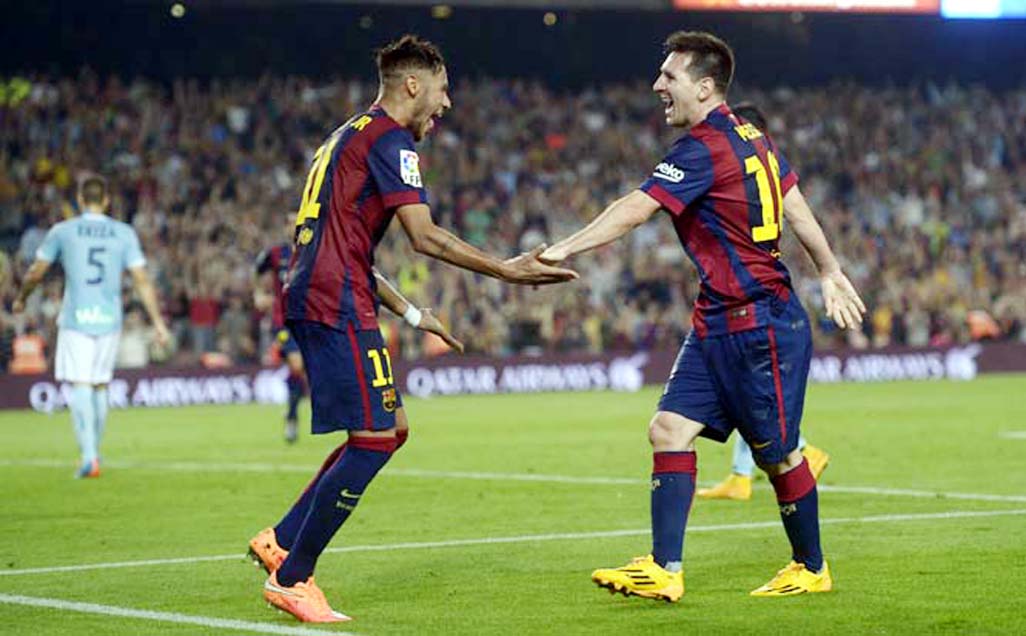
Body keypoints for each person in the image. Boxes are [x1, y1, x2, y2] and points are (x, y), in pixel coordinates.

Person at [247, 34, 576, 623]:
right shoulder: (392, 139)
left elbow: (347, 245)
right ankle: (293, 576)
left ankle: (281, 538)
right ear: (413, 85)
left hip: (327, 287)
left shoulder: (347, 134)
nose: (446, 106)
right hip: (336, 297)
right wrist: (506, 269)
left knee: (388, 429)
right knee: (374, 438)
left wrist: (417, 315)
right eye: (443, 91)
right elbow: (422, 236)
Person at [540, 31, 865, 600]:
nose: (657, 86)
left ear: (705, 87)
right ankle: (665, 568)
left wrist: (564, 248)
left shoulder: (705, 147)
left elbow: (636, 209)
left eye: (669, 77)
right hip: (717, 321)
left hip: (760, 323)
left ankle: (811, 567)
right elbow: (796, 207)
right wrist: (829, 268)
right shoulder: (753, 137)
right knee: (667, 428)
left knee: (780, 454)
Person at [696, 103, 829, 502]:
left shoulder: (752, 167)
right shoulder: (764, 170)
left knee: (748, 389)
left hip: (757, 300)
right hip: (755, 293)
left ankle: (800, 452)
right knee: (746, 390)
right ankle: (745, 472)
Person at [12, 173, 170, 478]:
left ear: (81, 200)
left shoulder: (64, 230)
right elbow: (142, 281)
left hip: (76, 319)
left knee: (80, 384)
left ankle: (88, 455)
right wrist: (158, 322)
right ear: (107, 201)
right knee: (99, 385)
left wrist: (22, 297)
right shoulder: (123, 233)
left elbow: (36, 271)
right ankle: (94, 453)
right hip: (109, 319)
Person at [254, 215, 305, 444]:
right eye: (290, 222)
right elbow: (256, 270)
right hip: (283, 320)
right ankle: (292, 418)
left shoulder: (313, 250)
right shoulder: (276, 254)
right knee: (296, 364)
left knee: (301, 370)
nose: (294, 226)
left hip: (309, 319)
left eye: (298, 221)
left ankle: (292, 408)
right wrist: (258, 294)